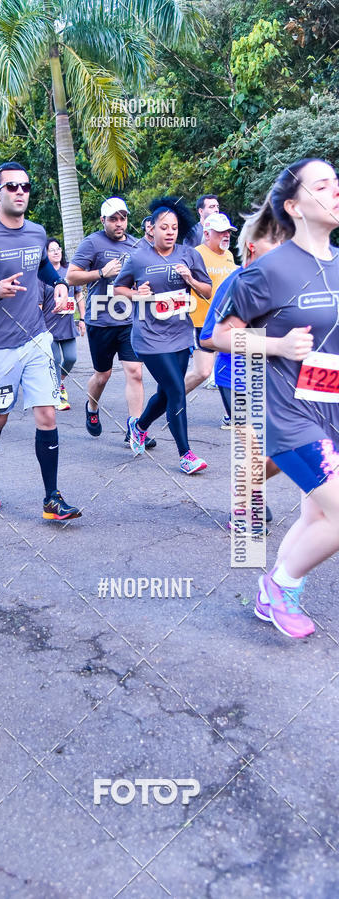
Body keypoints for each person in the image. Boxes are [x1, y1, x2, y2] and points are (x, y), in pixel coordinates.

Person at [212, 158, 339, 639]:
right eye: (323, 185)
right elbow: (216, 336)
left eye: (338, 182)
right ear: (294, 206)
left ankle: (278, 591)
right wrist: (276, 346)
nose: (335, 190)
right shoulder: (268, 270)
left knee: (319, 513)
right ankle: (279, 586)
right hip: (287, 413)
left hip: (331, 403)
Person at [0, 160, 81, 519]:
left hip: (36, 339)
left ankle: (52, 498)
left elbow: (42, 266)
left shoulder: (37, 232)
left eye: (25, 186)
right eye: (12, 187)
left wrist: (58, 284)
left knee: (47, 415)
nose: (20, 192)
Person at [200, 198, 288, 527]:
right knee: (252, 446)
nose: (282, 247)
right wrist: (266, 343)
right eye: (275, 240)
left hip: (276, 380)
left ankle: (251, 489)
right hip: (235, 378)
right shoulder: (236, 284)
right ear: (252, 247)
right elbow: (207, 338)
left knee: (284, 447)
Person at [114, 196, 212, 473]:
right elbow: (118, 289)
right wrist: (137, 293)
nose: (170, 232)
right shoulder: (137, 257)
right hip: (149, 336)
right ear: (151, 229)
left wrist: (190, 279)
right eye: (164, 227)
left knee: (167, 393)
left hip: (180, 334)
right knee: (177, 391)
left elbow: (207, 291)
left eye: (174, 227)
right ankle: (186, 455)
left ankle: (139, 426)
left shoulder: (189, 255)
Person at [67, 198, 155, 448]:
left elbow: (140, 277)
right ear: (103, 220)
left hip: (128, 320)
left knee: (135, 373)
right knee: (102, 375)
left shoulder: (135, 245)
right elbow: (71, 276)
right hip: (101, 320)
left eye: (123, 218)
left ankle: (136, 429)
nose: (119, 223)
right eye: (113, 219)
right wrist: (101, 273)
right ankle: (92, 406)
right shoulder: (92, 243)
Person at [185, 212, 238, 396]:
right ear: (207, 234)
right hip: (202, 321)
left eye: (229, 232)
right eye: (221, 232)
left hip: (228, 322)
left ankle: (233, 416)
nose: (226, 235)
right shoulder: (195, 253)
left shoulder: (229, 255)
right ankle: (168, 400)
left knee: (234, 367)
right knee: (203, 372)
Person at [40, 238, 84, 411]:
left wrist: (82, 319)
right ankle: (57, 395)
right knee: (56, 360)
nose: (57, 252)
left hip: (67, 325)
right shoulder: (42, 275)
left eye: (58, 248)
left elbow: (79, 295)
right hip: (49, 325)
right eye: (52, 250)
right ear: (46, 254)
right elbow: (38, 304)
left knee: (71, 357)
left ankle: (61, 381)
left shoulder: (69, 271)